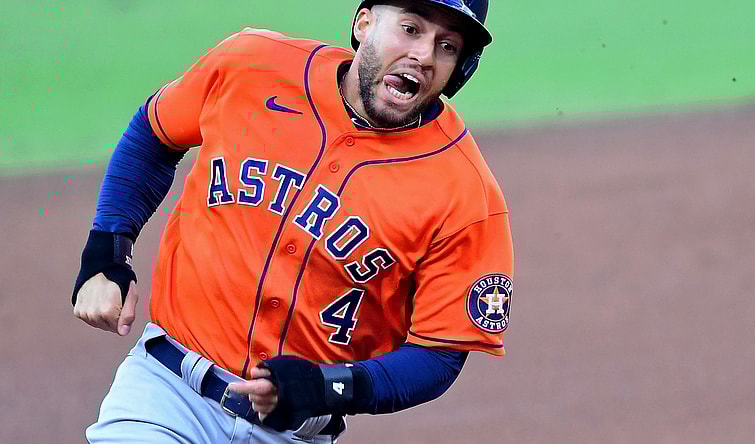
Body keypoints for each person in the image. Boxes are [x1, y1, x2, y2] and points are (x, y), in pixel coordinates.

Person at [72, 0, 513, 442]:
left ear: (460, 68)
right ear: (363, 24)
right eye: (410, 28)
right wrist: (106, 251)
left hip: (293, 433)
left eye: (447, 45)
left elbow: (439, 355)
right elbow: (154, 132)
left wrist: (331, 387)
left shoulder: (465, 192)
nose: (424, 55)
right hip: (167, 394)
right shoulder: (251, 65)